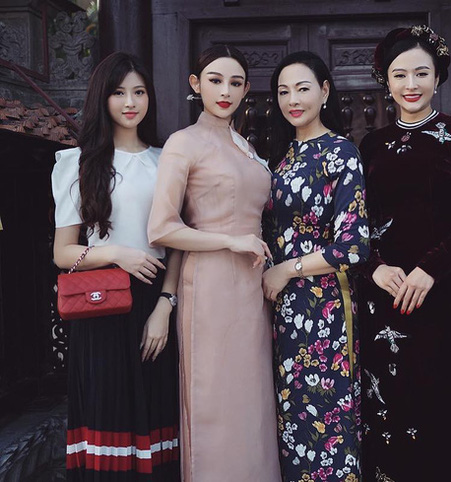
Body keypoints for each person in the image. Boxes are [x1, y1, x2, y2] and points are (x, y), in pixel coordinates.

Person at [356, 25, 451, 480]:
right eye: (400, 75)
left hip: (444, 296)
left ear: (438, 76)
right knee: (390, 409)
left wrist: (429, 269)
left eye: (421, 73)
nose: (410, 85)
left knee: (444, 408)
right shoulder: (371, 145)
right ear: (386, 80)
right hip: (385, 299)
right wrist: (374, 268)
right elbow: (358, 224)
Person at [147, 45, 281, 482]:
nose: (225, 91)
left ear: (246, 89)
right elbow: (162, 228)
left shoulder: (244, 144)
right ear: (195, 84)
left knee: (253, 403)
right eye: (215, 80)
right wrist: (228, 240)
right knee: (217, 402)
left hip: (253, 287)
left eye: (235, 83)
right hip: (210, 286)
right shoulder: (183, 142)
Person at [51, 52, 180, 481]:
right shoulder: (79, 163)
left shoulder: (167, 160)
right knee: (107, 415)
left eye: (139, 92)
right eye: (119, 92)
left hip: (154, 299)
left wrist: (164, 306)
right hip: (101, 302)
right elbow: (63, 253)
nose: (130, 102)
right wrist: (116, 253)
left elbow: (178, 244)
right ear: (102, 98)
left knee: (157, 410)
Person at [262, 51, 369, 481]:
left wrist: (286, 270)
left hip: (324, 306)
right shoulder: (280, 155)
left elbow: (353, 246)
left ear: (324, 92)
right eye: (284, 91)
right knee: (290, 419)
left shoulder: (341, 153)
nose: (293, 100)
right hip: (281, 307)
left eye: (303, 89)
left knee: (326, 417)